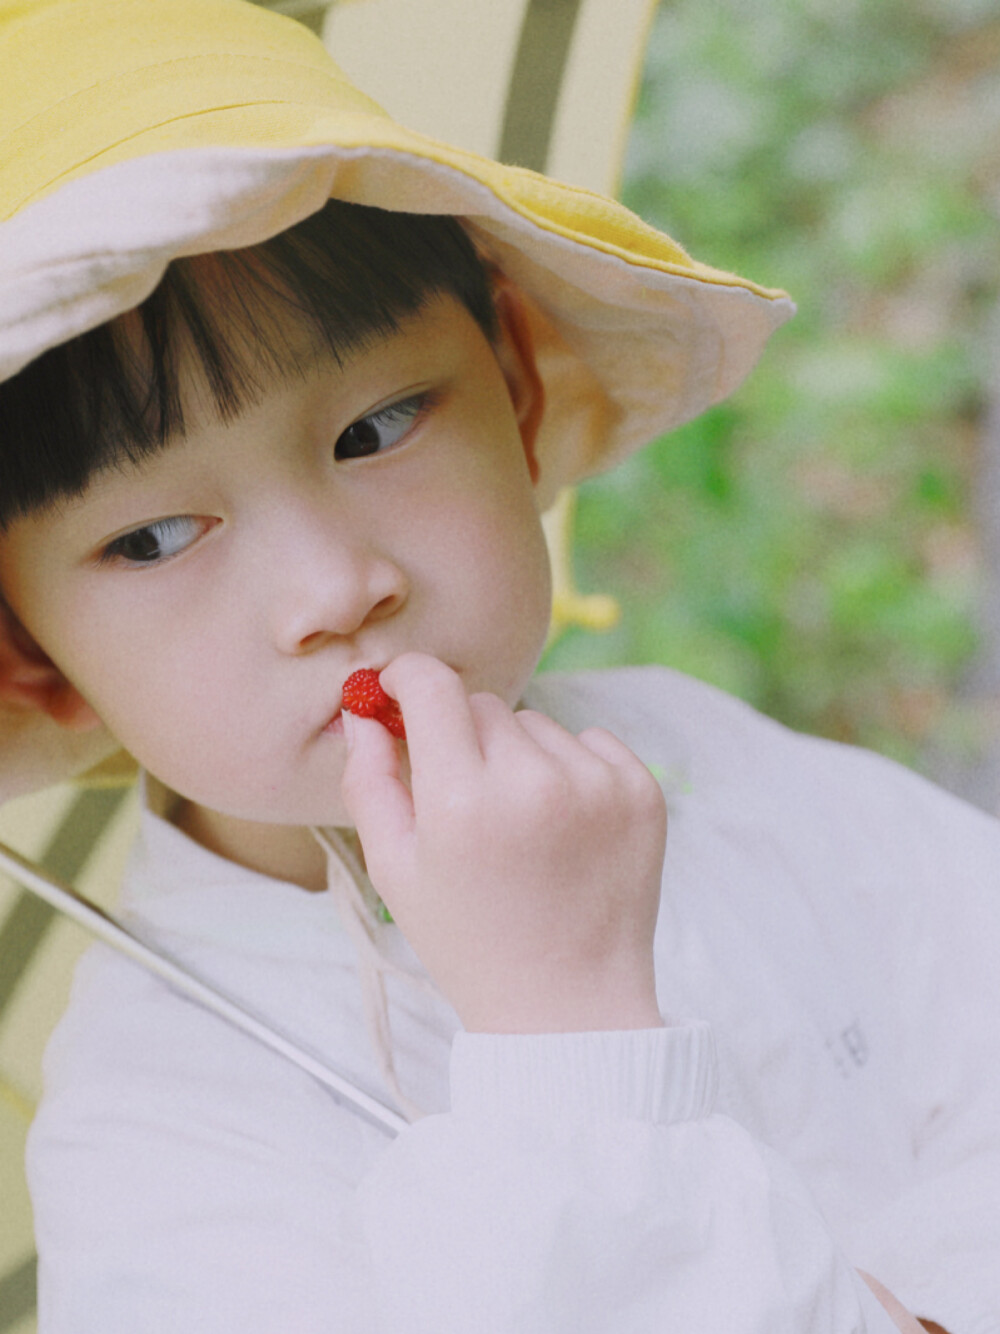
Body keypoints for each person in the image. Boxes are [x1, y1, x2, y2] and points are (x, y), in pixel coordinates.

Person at [0, 1, 995, 1330]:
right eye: (158, 534)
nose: (337, 589)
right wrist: (561, 1028)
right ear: (28, 659)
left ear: (519, 391)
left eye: (377, 425)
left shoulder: (696, 762)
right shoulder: (169, 1139)